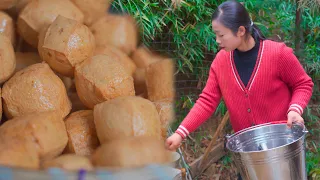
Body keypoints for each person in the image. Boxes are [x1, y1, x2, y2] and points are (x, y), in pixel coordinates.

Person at [165, 0, 314, 178]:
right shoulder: (221, 62)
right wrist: (181, 133)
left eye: (221, 35)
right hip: (249, 158)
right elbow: (207, 101)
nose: (217, 40)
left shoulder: (278, 54)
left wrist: (295, 109)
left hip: (282, 153)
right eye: (215, 35)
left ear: (241, 31)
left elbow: (303, 83)